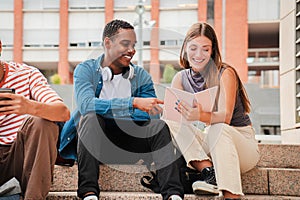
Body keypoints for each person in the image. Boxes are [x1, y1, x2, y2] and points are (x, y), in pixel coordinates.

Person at [63, 19, 184, 200]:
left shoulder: (141, 76)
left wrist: (109, 108)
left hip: (131, 146)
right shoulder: (85, 70)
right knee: (90, 118)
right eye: (125, 44)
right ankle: (88, 193)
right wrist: (132, 103)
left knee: (159, 127)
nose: (131, 50)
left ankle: (173, 195)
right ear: (107, 43)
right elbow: (86, 104)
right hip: (97, 145)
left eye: (133, 45)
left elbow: (151, 113)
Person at [163, 22, 260, 200]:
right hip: (210, 143)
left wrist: (199, 115)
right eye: (193, 48)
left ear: (212, 51)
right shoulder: (180, 78)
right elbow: (175, 118)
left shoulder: (225, 73)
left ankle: (231, 196)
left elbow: (226, 117)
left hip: (241, 144)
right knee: (168, 121)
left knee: (218, 127)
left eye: (205, 49)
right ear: (185, 48)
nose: (198, 55)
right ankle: (209, 171)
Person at [0, 39, 70, 199]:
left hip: (19, 156)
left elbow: (63, 113)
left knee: (42, 122)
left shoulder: (27, 74)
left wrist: (28, 106)